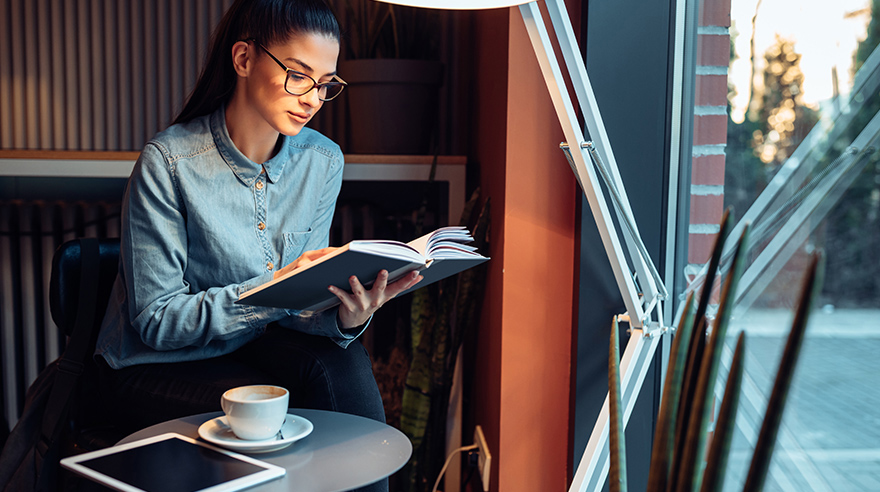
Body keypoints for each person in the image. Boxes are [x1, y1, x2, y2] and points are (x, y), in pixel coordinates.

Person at [95, 1, 420, 489]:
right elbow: (156, 321)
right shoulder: (169, 162)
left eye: (326, 82)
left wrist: (347, 316)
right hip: (154, 366)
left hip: (255, 350)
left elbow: (302, 309)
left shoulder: (323, 161)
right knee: (286, 404)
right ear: (244, 59)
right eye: (297, 74)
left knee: (342, 359)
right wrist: (271, 289)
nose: (312, 97)